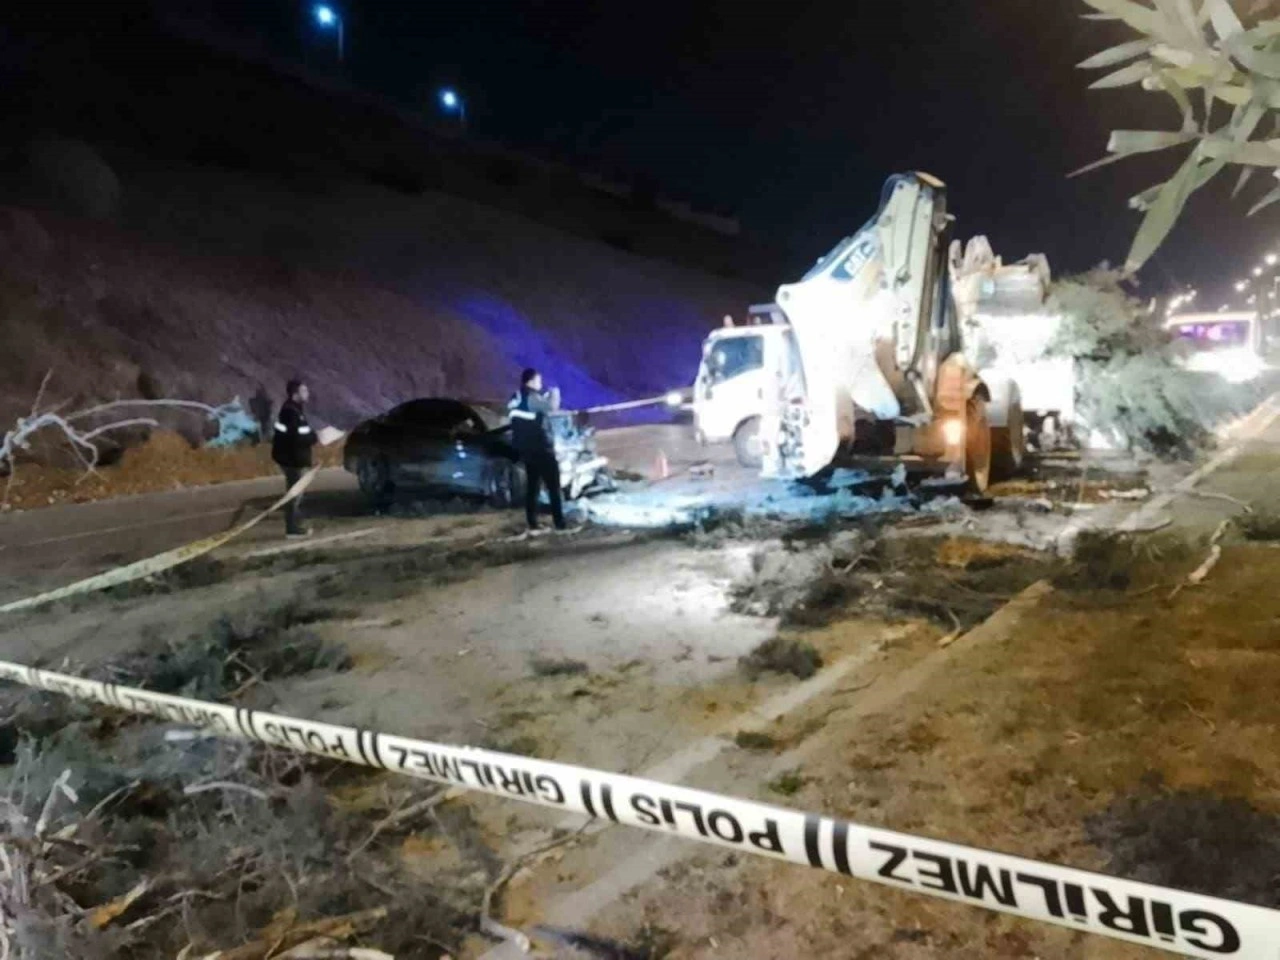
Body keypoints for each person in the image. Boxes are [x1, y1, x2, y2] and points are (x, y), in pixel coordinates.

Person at [508, 368, 566, 533]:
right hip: (541, 448)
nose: (540, 384)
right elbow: (551, 406)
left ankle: (532, 522)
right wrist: (555, 392)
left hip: (526, 450)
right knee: (553, 486)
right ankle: (560, 523)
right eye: (539, 381)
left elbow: (526, 414)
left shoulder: (516, 397)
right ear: (531, 381)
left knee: (532, 487)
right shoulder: (532, 397)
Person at [272, 378, 318, 538]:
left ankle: (295, 524)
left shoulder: (294, 410)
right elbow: (296, 438)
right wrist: (314, 437)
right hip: (292, 459)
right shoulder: (291, 412)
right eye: (304, 391)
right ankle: (292, 528)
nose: (307, 393)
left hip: (292, 457)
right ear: (295, 394)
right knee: (294, 493)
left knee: (296, 492)